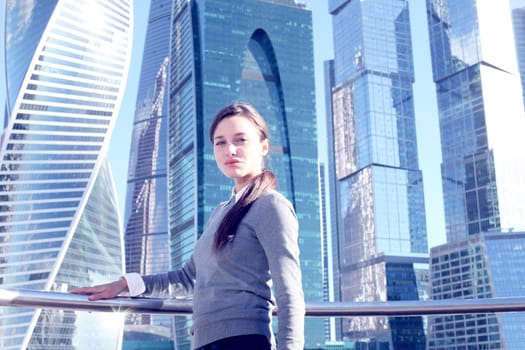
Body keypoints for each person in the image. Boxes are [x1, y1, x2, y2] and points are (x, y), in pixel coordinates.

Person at [71, 102, 305, 350]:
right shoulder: (221, 213)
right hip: (203, 341)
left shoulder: (270, 205)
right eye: (220, 142)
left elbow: (289, 293)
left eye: (240, 140)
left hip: (244, 340)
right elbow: (187, 278)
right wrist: (127, 284)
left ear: (263, 147)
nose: (230, 150)